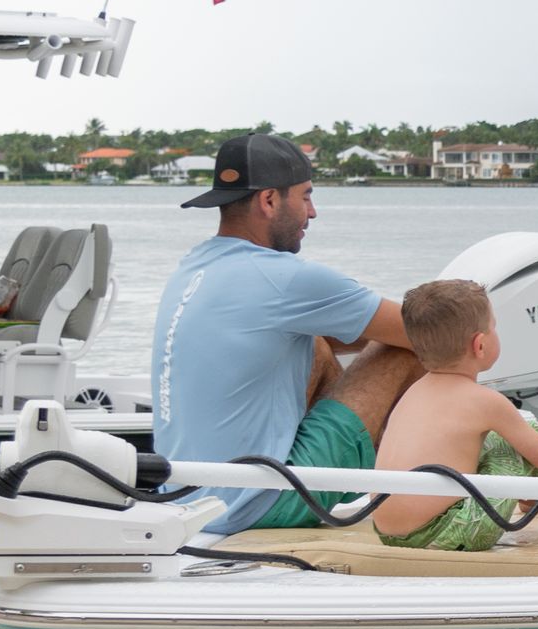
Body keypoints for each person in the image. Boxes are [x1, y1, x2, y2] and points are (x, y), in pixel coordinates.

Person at [152, 133, 424, 535]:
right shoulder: (284, 278)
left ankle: (357, 472)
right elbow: (425, 332)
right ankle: (429, 495)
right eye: (306, 196)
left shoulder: (194, 266)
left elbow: (323, 335)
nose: (312, 212)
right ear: (269, 201)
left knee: (311, 339)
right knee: (413, 348)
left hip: (187, 498)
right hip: (257, 503)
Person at [371, 280, 538, 549]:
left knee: (493, 440)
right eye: (494, 327)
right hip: (451, 532)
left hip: (388, 534)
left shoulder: (413, 393)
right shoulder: (484, 402)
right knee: (528, 432)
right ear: (480, 345)